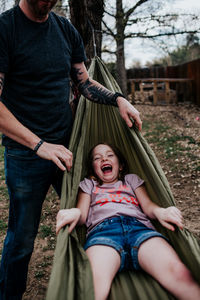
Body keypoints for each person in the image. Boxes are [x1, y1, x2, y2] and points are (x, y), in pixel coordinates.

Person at [0, 1, 142, 299]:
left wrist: (118, 99)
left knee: (88, 219)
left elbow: (84, 82)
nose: (48, 2)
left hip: (68, 151)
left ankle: (90, 288)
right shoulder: (6, 28)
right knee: (23, 239)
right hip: (26, 154)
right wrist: (39, 145)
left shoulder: (64, 29)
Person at [56, 143, 200, 300]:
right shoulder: (89, 184)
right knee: (92, 286)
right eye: (97, 158)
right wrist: (73, 212)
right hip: (104, 233)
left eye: (110, 155)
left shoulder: (130, 180)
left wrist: (162, 211)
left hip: (140, 230)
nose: (104, 158)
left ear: (121, 165)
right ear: (93, 169)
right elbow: (82, 214)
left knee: (180, 273)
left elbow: (148, 206)